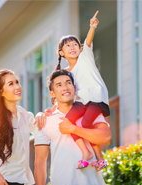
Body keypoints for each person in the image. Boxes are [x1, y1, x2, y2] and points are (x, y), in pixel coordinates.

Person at [34, 69, 112, 185]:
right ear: (52, 93)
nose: (65, 87)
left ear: (74, 87)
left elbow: (107, 138)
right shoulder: (45, 121)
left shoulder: (91, 112)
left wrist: (73, 129)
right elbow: (40, 161)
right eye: (59, 85)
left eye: (68, 83)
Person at [51, 10, 109, 169]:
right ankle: (86, 153)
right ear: (62, 53)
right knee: (67, 122)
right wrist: (53, 108)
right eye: (67, 46)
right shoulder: (66, 74)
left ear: (80, 47)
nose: (72, 47)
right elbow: (65, 92)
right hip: (82, 101)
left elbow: (88, 41)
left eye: (75, 44)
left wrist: (92, 27)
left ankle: (99, 156)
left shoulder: (85, 57)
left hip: (96, 99)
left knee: (85, 122)